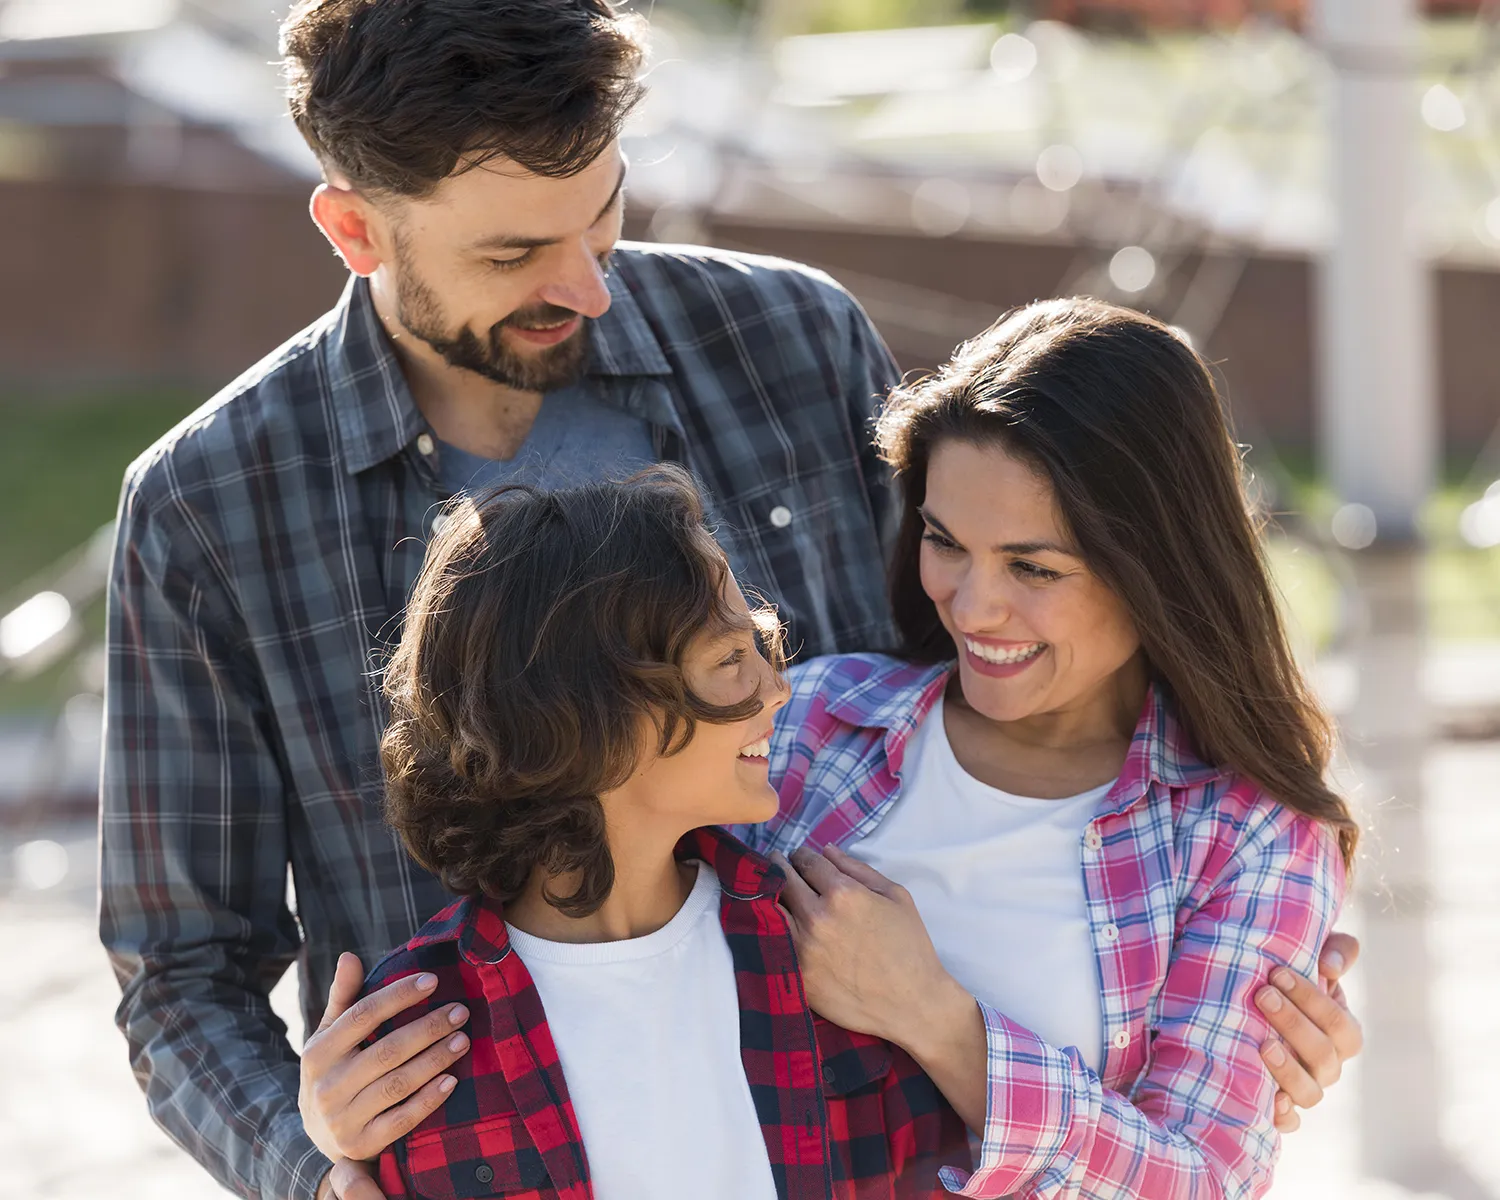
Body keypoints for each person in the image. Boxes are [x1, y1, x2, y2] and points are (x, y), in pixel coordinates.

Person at [97, 3, 1358, 1198]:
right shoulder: (211, 508)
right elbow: (180, 973)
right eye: (513, 253)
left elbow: (1006, 665)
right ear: (355, 231)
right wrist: (311, 1166)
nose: (588, 285)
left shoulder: (792, 343)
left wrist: (1233, 988)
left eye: (602, 217)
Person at [758, 299, 1358, 1198]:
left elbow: (1198, 1179)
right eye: (943, 541)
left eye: (1034, 568)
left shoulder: (1248, 836)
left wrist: (938, 1020)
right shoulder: (811, 722)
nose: (971, 606)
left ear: (1155, 567)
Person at [360, 468, 966, 1199]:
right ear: (586, 718)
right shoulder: (416, 1035)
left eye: (759, 648)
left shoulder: (826, 951)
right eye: (730, 660)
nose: (778, 689)